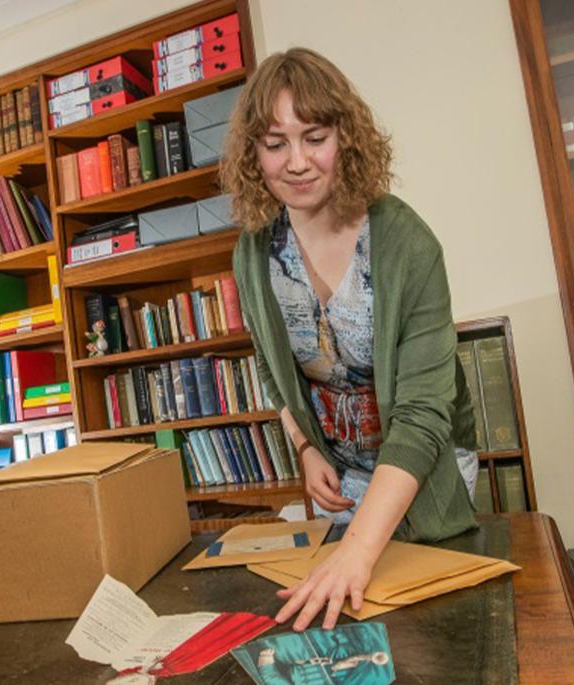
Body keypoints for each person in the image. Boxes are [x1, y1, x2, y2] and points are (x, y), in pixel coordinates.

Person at [222, 47, 479, 633]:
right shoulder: (253, 251)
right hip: (342, 478)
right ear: (253, 154)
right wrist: (307, 447)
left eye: (314, 136)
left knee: (434, 633)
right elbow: (271, 364)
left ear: (346, 137)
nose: (297, 162)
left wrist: (357, 553)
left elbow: (421, 415)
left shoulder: (407, 243)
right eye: (275, 143)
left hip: (422, 469)